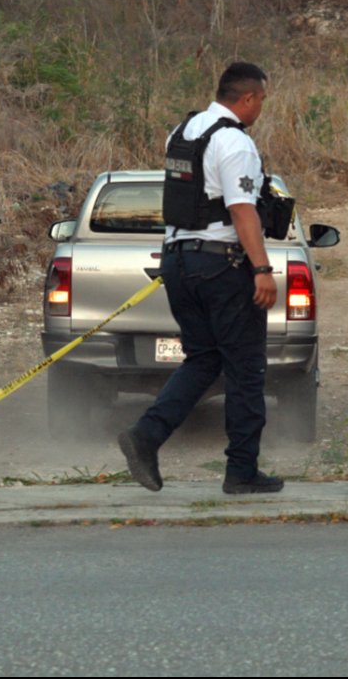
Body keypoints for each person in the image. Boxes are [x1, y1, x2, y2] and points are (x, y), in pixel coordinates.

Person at [118, 62, 284, 495]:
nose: (261, 108)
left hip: (178, 263)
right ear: (247, 99)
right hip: (222, 266)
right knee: (246, 370)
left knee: (204, 359)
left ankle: (147, 436)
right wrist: (263, 269)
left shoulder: (184, 131)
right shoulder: (235, 142)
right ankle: (242, 471)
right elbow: (242, 209)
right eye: (261, 100)